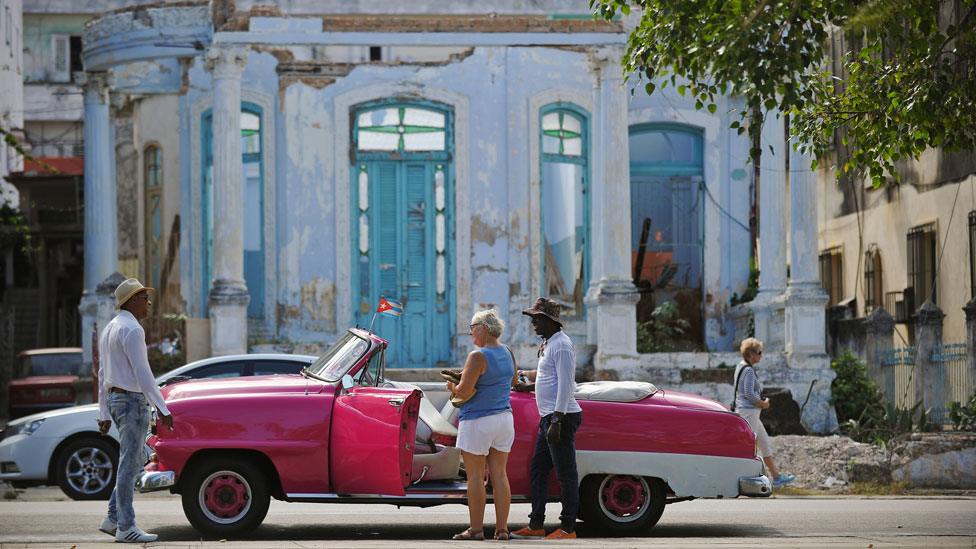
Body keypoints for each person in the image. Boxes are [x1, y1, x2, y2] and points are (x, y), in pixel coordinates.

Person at [96, 278, 174, 543]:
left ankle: (113, 517)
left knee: (133, 458)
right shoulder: (133, 329)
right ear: (131, 301)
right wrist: (162, 408)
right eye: (144, 298)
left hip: (117, 401)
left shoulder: (110, 328)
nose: (148, 303)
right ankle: (126, 527)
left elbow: (102, 374)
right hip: (130, 402)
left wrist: (104, 412)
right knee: (130, 464)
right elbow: (143, 373)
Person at [512, 297, 582, 540]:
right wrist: (528, 386)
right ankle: (536, 524)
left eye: (536, 319)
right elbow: (548, 380)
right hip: (549, 417)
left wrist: (557, 420)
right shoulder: (549, 343)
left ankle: (568, 528)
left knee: (565, 474)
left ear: (547, 320)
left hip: (560, 417)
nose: (533, 324)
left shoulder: (561, 345)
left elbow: (566, 386)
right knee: (538, 470)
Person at [445, 309, 517, 541]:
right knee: (500, 475)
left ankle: (476, 530)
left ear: (483, 328)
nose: (470, 332)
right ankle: (502, 529)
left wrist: (452, 388)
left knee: (475, 477)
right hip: (504, 419)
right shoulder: (508, 351)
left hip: (478, 420)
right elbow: (513, 381)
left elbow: (464, 392)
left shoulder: (477, 356)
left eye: (472, 327)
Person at [733, 337, 795, 487]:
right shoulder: (748, 370)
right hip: (749, 412)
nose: (761, 355)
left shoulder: (741, 366)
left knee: (764, 442)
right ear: (751, 354)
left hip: (750, 411)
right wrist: (763, 404)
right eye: (759, 352)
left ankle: (776, 477)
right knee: (749, 446)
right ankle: (746, 478)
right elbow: (749, 394)